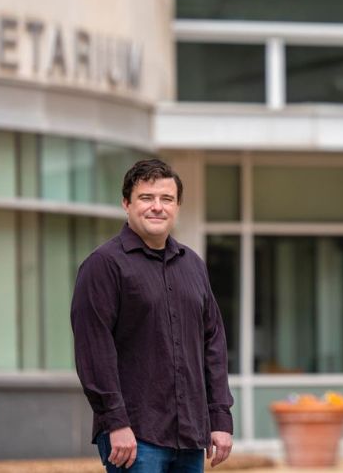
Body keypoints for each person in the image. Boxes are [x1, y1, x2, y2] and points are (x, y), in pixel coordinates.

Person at [71, 159, 234, 473]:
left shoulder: (193, 265)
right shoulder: (103, 265)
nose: (157, 207)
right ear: (126, 203)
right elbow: (94, 350)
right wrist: (114, 422)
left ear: (177, 206)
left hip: (189, 436)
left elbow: (213, 345)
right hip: (134, 436)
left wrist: (220, 418)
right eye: (146, 198)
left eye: (166, 199)